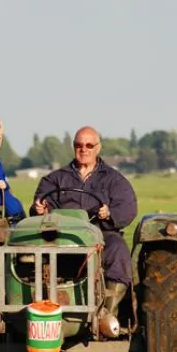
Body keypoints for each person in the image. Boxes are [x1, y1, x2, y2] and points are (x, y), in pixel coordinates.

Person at [31, 126, 137, 317]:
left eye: (89, 145)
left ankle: (107, 314)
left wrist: (109, 214)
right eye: (79, 145)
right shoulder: (55, 179)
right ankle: (39, 310)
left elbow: (128, 209)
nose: (84, 149)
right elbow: (40, 205)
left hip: (101, 235)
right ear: (74, 147)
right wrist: (39, 210)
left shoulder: (114, 180)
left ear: (98, 148)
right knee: (31, 255)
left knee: (118, 250)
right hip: (61, 237)